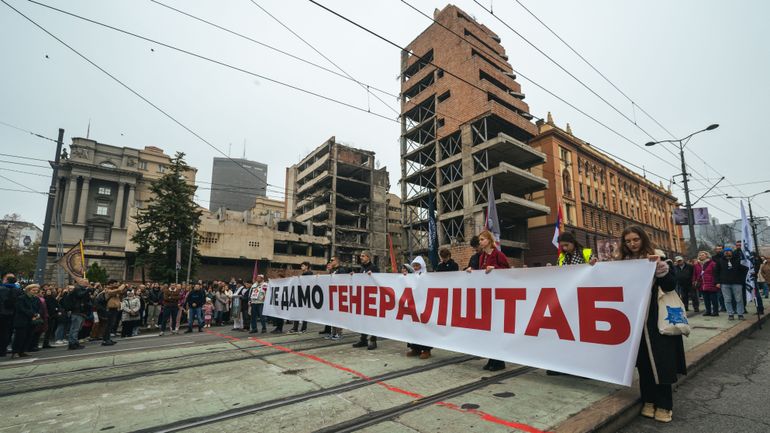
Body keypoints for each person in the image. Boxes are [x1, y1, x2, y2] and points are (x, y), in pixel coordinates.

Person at [619, 225, 685, 423]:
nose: (632, 244)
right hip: (634, 320)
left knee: (661, 361)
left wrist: (661, 269)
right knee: (643, 364)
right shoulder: (622, 262)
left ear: (643, 239)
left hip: (656, 319)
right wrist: (594, 267)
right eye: (628, 241)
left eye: (635, 240)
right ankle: (648, 400)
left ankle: (665, 404)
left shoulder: (657, 257)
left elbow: (671, 285)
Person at [465, 230, 509, 371]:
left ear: (489, 240)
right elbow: (480, 273)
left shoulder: (498, 254)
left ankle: (498, 361)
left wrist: (495, 268)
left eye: (482, 239)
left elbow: (507, 270)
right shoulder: (482, 256)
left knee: (496, 329)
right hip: (486, 296)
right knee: (488, 330)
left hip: (497, 296)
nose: (480, 242)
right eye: (480, 240)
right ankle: (492, 359)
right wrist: (472, 270)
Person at [405, 256, 433, 359]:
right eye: (414, 266)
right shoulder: (411, 276)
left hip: (423, 304)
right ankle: (415, 348)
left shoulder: (426, 276)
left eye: (417, 265)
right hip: (413, 304)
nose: (416, 267)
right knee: (413, 327)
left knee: (424, 327)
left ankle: (426, 350)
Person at [352, 251, 379, 350]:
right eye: (360, 256)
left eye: (363, 256)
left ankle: (373, 340)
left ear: (369, 257)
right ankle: (363, 339)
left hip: (371, 298)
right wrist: (354, 276)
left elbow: (378, 280)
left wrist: (373, 275)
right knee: (363, 320)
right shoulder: (362, 268)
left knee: (372, 320)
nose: (361, 258)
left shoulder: (374, 268)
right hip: (363, 297)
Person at [714, 247, 748, 320]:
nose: (727, 253)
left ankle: (740, 313)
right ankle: (730, 314)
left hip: (737, 282)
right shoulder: (720, 261)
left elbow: (744, 269)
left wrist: (742, 279)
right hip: (724, 283)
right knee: (727, 299)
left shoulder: (738, 260)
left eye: (729, 251)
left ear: (731, 252)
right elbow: (716, 272)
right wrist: (717, 282)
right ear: (724, 253)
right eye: (726, 252)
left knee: (739, 299)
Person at [12, 284, 41, 358]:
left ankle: (23, 351)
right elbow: (21, 309)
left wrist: (38, 314)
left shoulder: (36, 299)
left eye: (36, 290)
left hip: (32, 321)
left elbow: (38, 308)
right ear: (28, 290)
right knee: (20, 337)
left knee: (29, 336)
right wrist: (33, 314)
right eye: (33, 290)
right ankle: (15, 352)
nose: (35, 292)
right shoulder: (21, 298)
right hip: (22, 320)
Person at [0, 273, 22, 357]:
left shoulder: (2, 289)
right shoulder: (18, 290)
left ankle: (2, 350)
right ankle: (4, 349)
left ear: (6, 280)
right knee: (9, 332)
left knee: (2, 332)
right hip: (14, 314)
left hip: (2, 313)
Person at [327, 256, 347, 341]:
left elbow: (343, 281)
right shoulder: (332, 270)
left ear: (337, 261)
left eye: (332, 260)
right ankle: (333, 333)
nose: (330, 261)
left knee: (338, 316)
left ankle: (339, 333)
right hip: (333, 295)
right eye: (330, 260)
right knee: (333, 316)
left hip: (339, 295)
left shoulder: (341, 270)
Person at [693, 251, 719, 316]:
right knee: (706, 299)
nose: (701, 256)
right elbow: (695, 274)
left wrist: (717, 282)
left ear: (707, 256)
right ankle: (708, 311)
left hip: (711, 283)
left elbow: (716, 273)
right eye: (700, 255)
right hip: (702, 284)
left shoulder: (712, 263)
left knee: (713, 299)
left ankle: (715, 311)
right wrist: (694, 281)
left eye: (703, 255)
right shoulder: (696, 265)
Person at [289, 265, 311, 334]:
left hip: (305, 296)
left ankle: (303, 328)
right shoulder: (302, 275)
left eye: (303, 266)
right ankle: (295, 328)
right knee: (296, 311)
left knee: (304, 313)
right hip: (299, 294)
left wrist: (299, 278)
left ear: (307, 267)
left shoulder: (309, 274)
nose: (301, 267)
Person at [102, 280, 123, 346]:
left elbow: (120, 291)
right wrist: (123, 285)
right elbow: (119, 290)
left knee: (111, 325)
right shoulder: (107, 290)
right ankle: (105, 340)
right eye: (115, 283)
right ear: (110, 284)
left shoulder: (114, 290)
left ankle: (108, 339)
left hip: (114, 309)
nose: (116, 284)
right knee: (108, 325)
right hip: (110, 310)